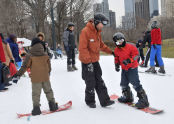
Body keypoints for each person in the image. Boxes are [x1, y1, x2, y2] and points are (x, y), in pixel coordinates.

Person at [13, 38, 58, 116]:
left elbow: (24, 67)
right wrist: (47, 73)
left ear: (32, 45)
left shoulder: (29, 55)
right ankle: (53, 105)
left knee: (36, 94)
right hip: (45, 77)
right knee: (48, 91)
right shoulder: (45, 54)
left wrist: (17, 75)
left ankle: (36, 109)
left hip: (35, 78)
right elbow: (49, 67)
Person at [79, 13, 115, 108]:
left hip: (95, 61)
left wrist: (111, 52)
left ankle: (105, 101)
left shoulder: (97, 32)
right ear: (96, 22)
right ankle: (90, 101)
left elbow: (101, 45)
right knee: (90, 81)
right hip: (87, 62)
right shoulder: (85, 31)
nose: (103, 26)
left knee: (99, 80)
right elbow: (82, 48)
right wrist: (88, 62)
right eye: (102, 24)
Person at [113, 32, 149, 109]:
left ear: (124, 39)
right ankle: (127, 97)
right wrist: (116, 64)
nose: (120, 43)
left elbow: (136, 55)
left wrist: (129, 60)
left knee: (135, 83)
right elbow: (116, 57)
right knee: (123, 84)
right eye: (117, 42)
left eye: (121, 40)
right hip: (124, 68)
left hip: (132, 67)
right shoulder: (116, 50)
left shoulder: (130, 46)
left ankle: (144, 100)